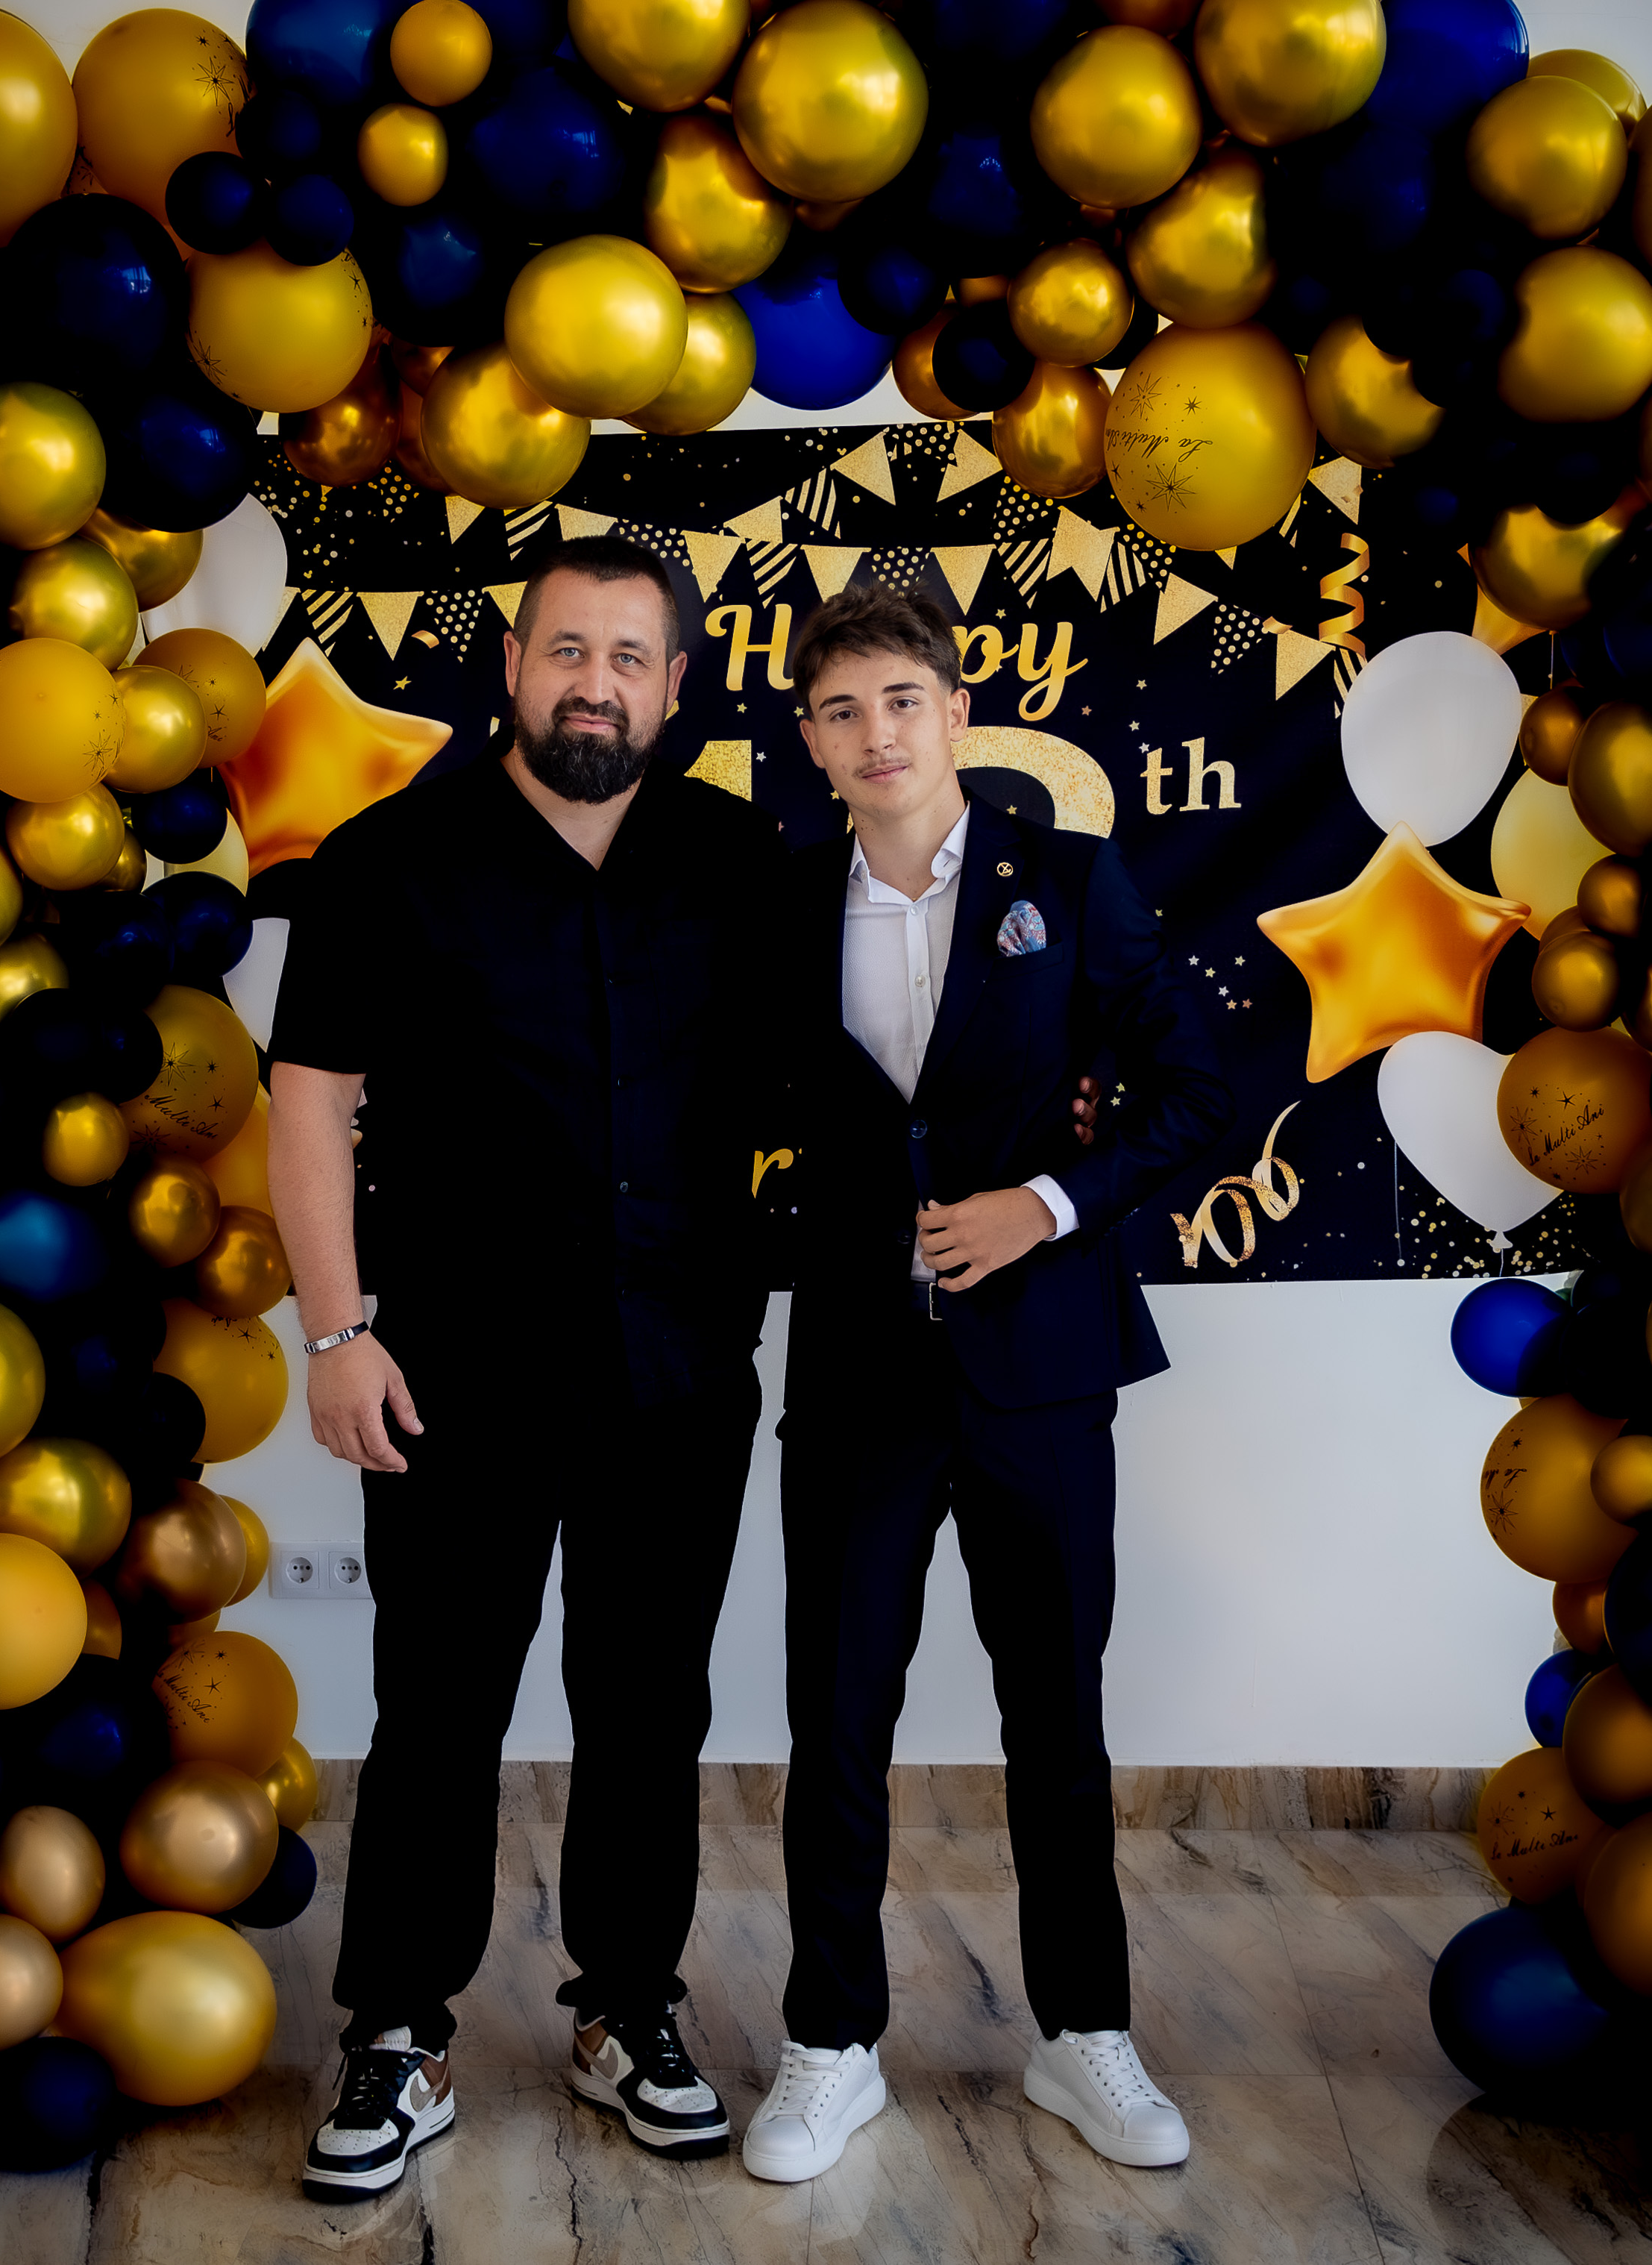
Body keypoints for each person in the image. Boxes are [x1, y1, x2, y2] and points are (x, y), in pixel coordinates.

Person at [268, 536, 781, 2199]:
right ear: (512, 665)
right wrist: (334, 1332)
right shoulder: (387, 859)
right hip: (450, 1373)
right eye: (568, 651)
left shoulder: (736, 860)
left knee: (651, 1705)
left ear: (675, 687)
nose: (594, 687)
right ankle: (398, 2029)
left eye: (629, 659)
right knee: (439, 1707)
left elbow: (851, 1064)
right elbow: (309, 1102)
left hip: (678, 1366)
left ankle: (627, 2007)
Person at [742, 584, 1235, 2184]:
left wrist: (1048, 1204)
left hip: (1041, 1369)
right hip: (858, 1372)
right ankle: (832, 2044)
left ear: (956, 713)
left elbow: (1196, 1091)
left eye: (900, 700)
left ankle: (1081, 2032)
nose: (874, 733)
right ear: (811, 741)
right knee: (835, 1716)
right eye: (840, 710)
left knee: (1055, 1714)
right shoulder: (782, 903)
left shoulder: (1072, 882)